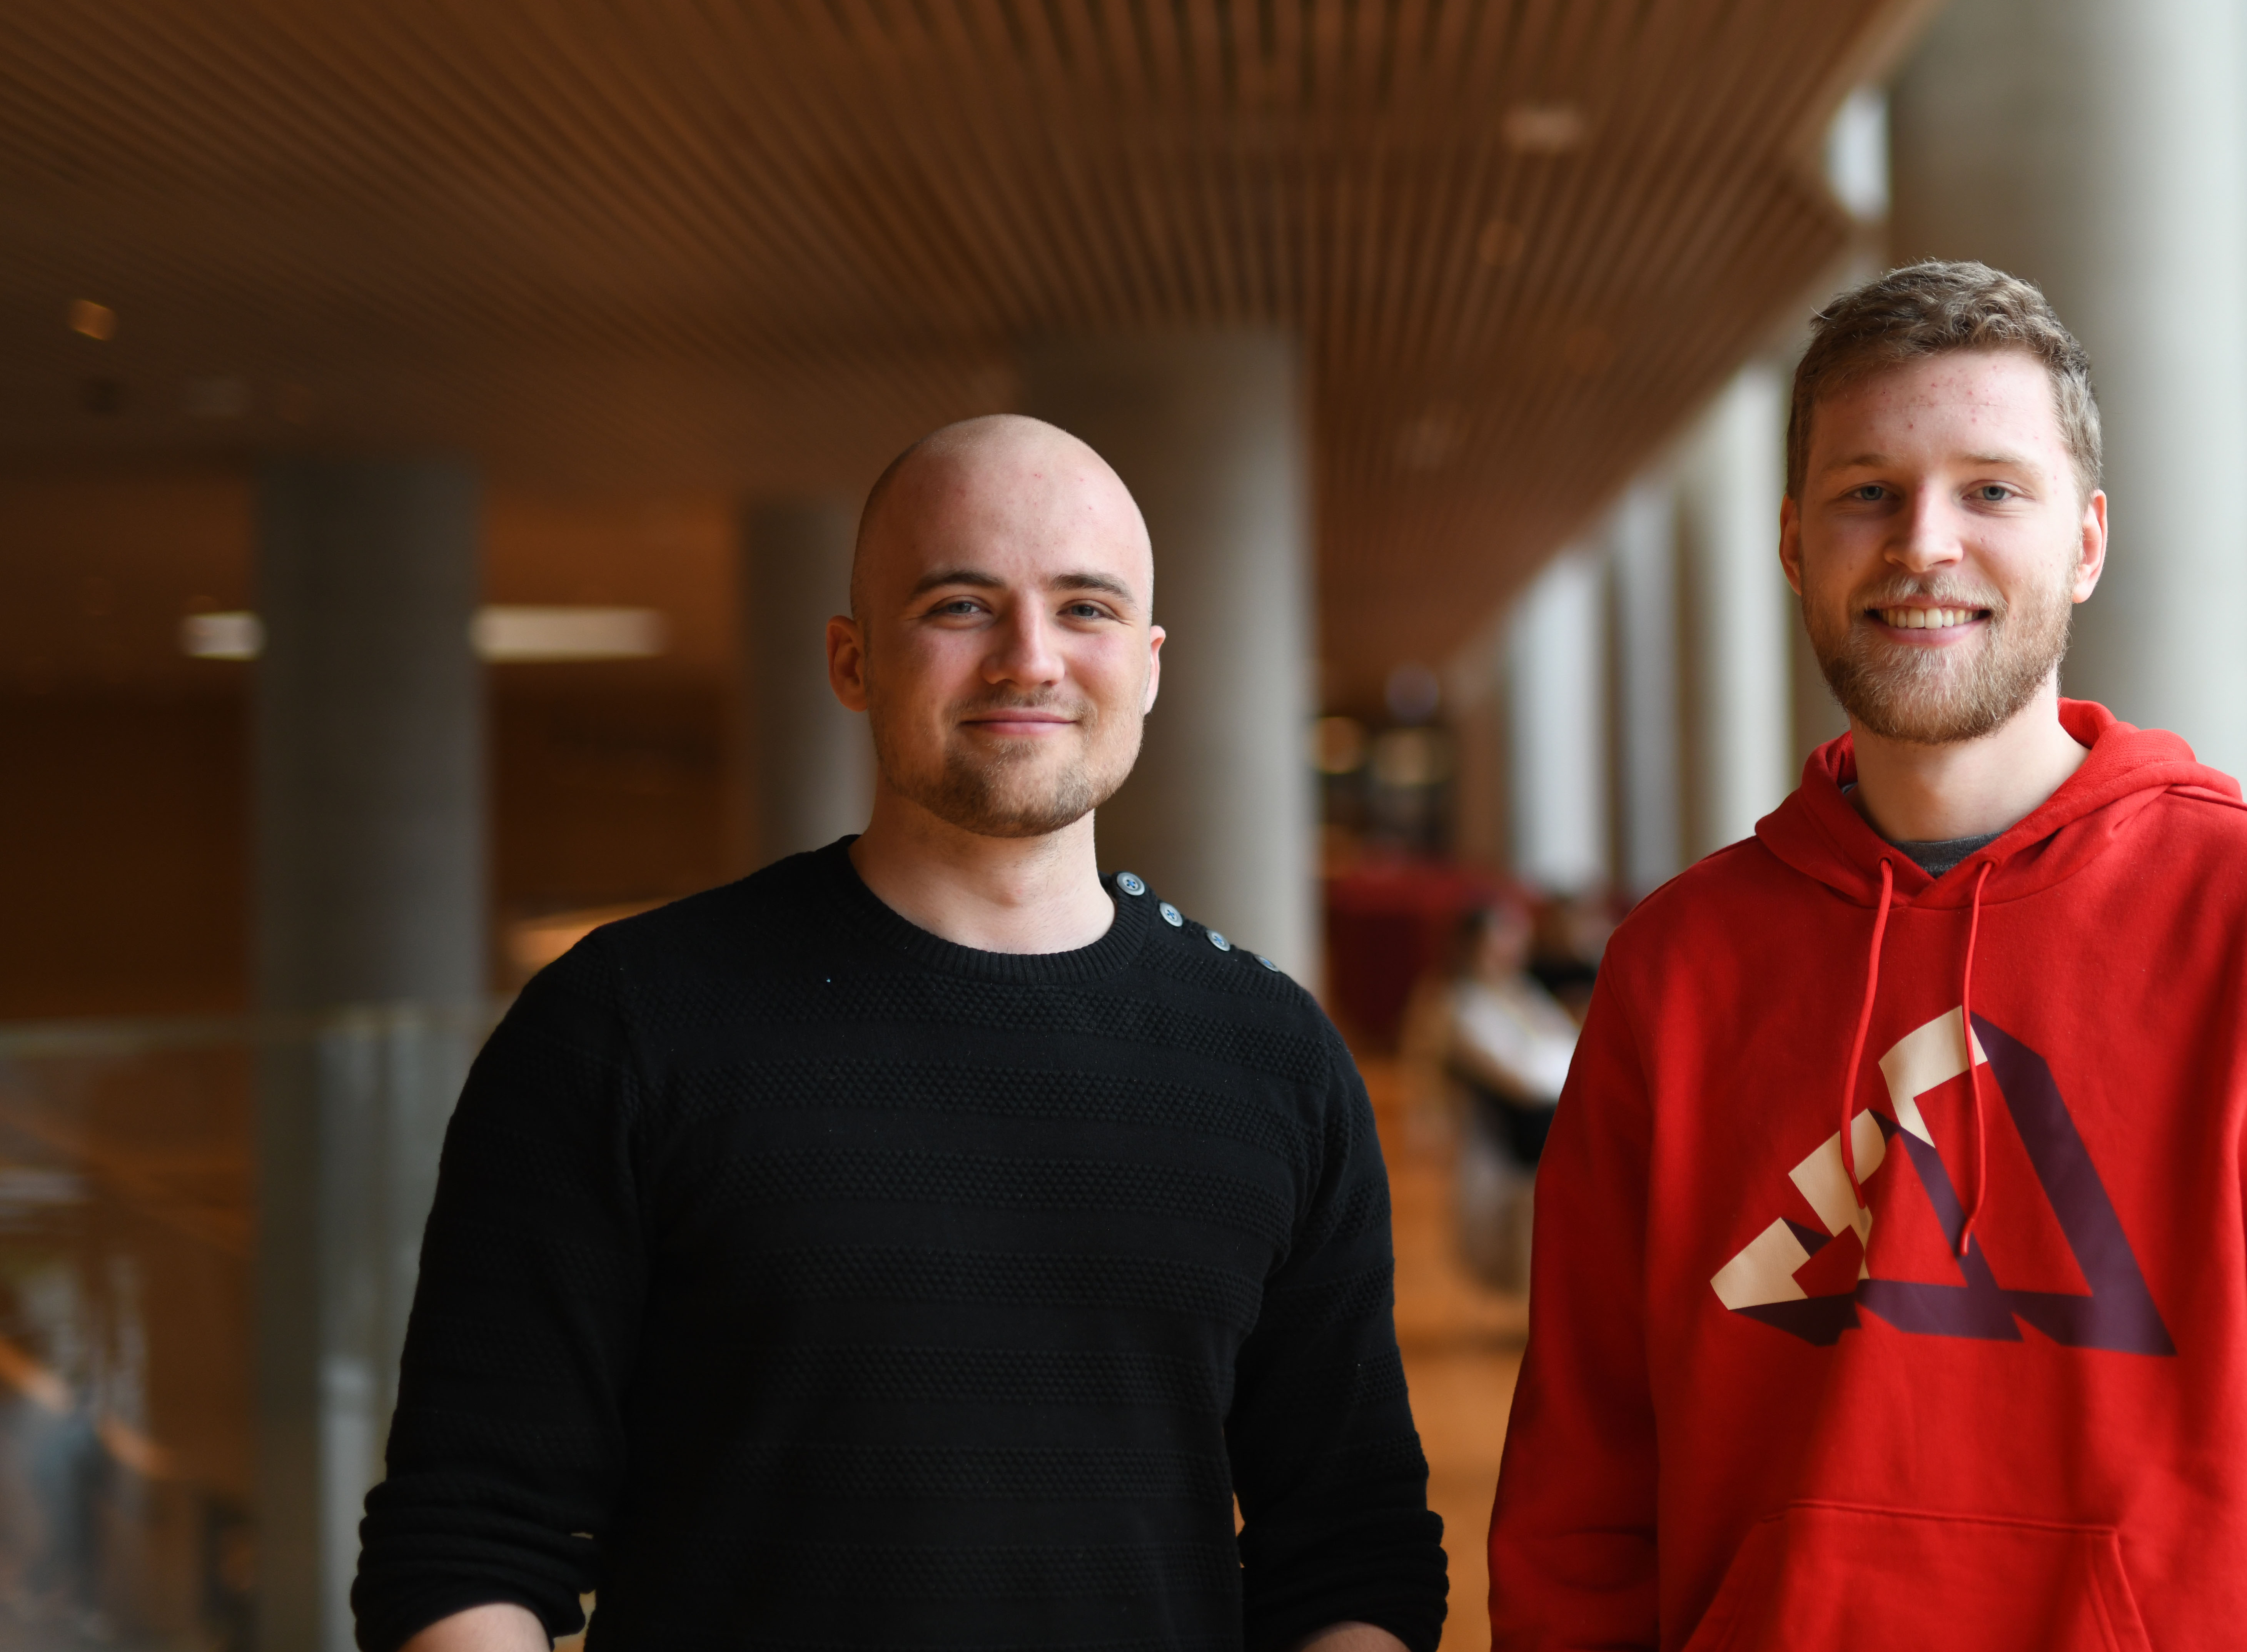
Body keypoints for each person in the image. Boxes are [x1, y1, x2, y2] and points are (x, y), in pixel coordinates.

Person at [1487, 263, 2247, 1649]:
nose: (1922, 541)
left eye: (1991, 489)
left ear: (2086, 543)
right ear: (1791, 541)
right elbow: (1583, 1497)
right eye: (1865, 489)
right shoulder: (1673, 972)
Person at [353, 416, 1446, 1652]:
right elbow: (469, 1534)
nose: (1028, 659)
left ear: (1147, 664)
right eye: (961, 604)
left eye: (1083, 608)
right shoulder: (624, 1026)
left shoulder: (1276, 1062)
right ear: (851, 659)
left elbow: (1351, 1550)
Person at [1407, 899, 1579, 1290]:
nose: (1510, 952)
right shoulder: (1456, 1002)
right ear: (1471, 947)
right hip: (1512, 1136)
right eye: (1499, 942)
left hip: (1546, 1118)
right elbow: (1523, 1077)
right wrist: (1574, 1063)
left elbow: (1569, 1044)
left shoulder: (1519, 991)